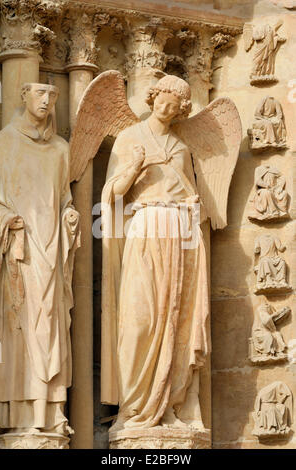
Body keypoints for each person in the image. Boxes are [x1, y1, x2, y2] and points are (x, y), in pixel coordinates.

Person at [101, 75, 210, 431]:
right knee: (140, 320)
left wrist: (191, 213)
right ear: (153, 97)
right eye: (165, 96)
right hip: (145, 228)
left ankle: (167, 406)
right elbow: (113, 195)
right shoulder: (130, 139)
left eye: (178, 101)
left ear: (183, 109)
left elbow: (191, 195)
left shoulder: (181, 148)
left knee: (176, 321)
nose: (170, 104)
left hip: (178, 234)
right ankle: (133, 408)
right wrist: (133, 167)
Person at [0, 83, 80, 436]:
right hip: (19, 250)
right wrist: (5, 221)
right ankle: (18, 416)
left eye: (53, 96)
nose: (46, 101)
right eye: (40, 94)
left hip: (52, 250)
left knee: (52, 327)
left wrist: (70, 218)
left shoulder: (61, 149)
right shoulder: (2, 143)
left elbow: (66, 199)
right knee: (18, 328)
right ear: (23, 97)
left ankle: (51, 412)